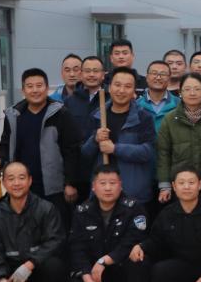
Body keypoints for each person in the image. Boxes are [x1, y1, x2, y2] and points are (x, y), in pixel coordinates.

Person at [59, 164, 150, 282]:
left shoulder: (133, 207)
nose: (108, 188)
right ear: (94, 186)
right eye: (102, 183)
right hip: (96, 272)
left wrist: (105, 260)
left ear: (120, 185)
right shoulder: (82, 211)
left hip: (121, 267)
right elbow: (77, 248)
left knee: (139, 259)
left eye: (112, 183)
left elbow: (133, 240)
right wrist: (86, 276)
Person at [0, 68, 81, 215]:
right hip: (22, 188)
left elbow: (72, 150)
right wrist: (0, 161)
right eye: (30, 86)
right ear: (23, 90)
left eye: (39, 85)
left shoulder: (60, 114)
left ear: (47, 88)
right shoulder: (14, 115)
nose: (35, 90)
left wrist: (70, 183)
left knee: (55, 225)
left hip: (54, 189)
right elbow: (5, 146)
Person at [81, 67, 155, 204]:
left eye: (127, 86)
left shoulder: (143, 117)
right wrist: (95, 140)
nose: (121, 90)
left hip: (133, 194)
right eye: (117, 85)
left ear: (134, 91)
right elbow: (84, 154)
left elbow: (147, 152)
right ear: (110, 87)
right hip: (102, 193)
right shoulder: (97, 115)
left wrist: (115, 148)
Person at [158, 73, 201, 201]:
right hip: (180, 185)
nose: (192, 93)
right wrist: (165, 185)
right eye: (187, 89)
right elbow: (163, 153)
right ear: (180, 92)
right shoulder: (170, 119)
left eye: (197, 89)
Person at [64, 55, 105, 146]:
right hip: (76, 152)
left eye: (95, 71)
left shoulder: (110, 99)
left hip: (102, 151)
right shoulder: (69, 101)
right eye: (87, 71)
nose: (91, 74)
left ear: (103, 75)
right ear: (81, 75)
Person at [136, 60, 179, 133]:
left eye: (163, 74)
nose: (158, 77)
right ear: (147, 77)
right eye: (154, 73)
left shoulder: (179, 104)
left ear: (169, 79)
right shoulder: (136, 105)